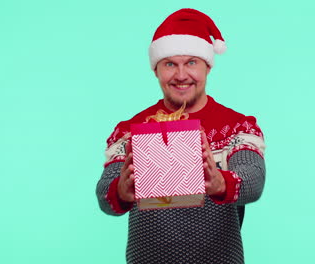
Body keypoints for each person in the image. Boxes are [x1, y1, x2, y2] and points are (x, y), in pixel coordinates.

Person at [96, 8, 266, 263]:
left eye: (191, 62)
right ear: (156, 70)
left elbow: (253, 178)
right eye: (170, 64)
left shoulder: (236, 126)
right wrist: (121, 190)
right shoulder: (130, 130)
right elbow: (104, 195)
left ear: (207, 66)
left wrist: (220, 183)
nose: (181, 75)